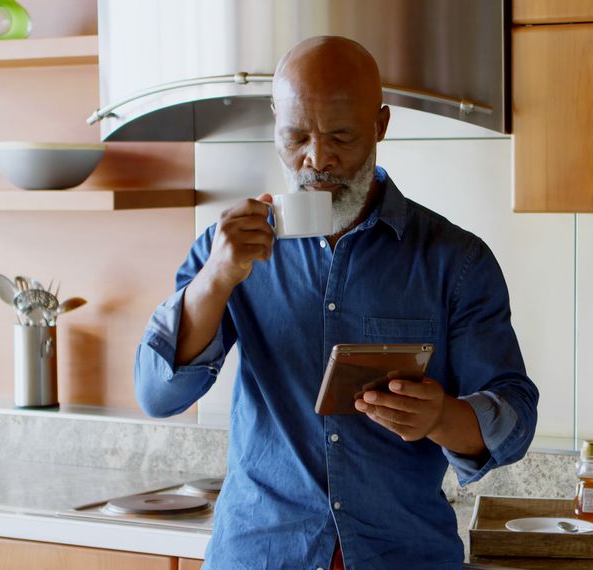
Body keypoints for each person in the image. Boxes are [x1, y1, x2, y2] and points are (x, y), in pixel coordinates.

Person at [134, 36, 539, 569]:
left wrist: (441, 416)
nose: (316, 159)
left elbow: (514, 420)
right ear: (274, 122)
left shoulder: (455, 261)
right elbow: (157, 394)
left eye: (341, 137)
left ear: (380, 126)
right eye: (296, 136)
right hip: (259, 554)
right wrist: (215, 279)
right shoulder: (227, 248)